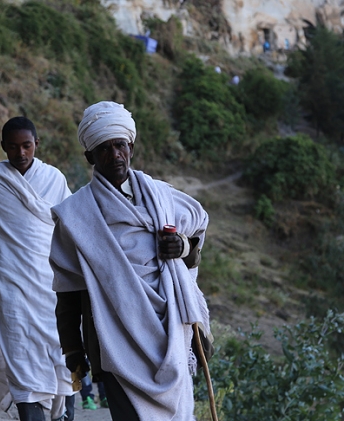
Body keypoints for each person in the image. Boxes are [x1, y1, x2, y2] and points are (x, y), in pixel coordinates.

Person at [50, 101, 211, 420]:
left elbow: (192, 249)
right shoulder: (75, 216)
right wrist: (73, 350)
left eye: (120, 146)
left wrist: (180, 246)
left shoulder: (162, 196)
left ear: (131, 147)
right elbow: (67, 291)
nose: (114, 155)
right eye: (104, 149)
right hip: (113, 340)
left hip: (172, 332)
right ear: (90, 157)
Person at [0, 116, 75, 421]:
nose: (20, 153)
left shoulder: (55, 179)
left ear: (37, 144)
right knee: (20, 360)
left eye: (26, 145)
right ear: (3, 147)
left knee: (61, 359)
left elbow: (70, 229)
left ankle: (63, 411)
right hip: (11, 288)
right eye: (13, 147)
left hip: (51, 287)